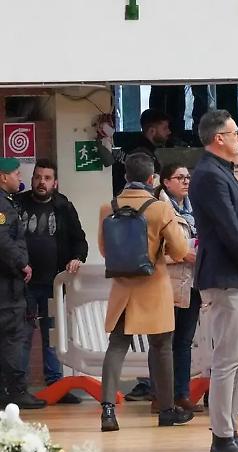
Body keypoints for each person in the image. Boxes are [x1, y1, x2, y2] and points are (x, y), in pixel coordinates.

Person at [98, 153, 193, 431]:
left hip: (122, 288)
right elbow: (179, 250)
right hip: (154, 285)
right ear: (152, 179)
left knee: (116, 346)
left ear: (126, 177)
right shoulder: (160, 209)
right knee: (162, 347)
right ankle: (166, 410)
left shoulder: (109, 206)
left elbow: (105, 250)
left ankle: (107, 411)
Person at [189, 110, 238, 452]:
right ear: (219, 138)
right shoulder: (208, 175)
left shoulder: (221, 172)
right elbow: (232, 232)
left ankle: (229, 429)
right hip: (225, 276)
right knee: (228, 358)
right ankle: (221, 437)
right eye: (235, 133)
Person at [16, 159, 88, 404]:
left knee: (52, 334)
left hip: (53, 284)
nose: (41, 182)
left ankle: (56, 386)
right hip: (22, 284)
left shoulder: (63, 206)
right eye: (37, 177)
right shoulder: (18, 203)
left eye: (47, 178)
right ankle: (18, 388)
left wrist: (77, 258)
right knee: (22, 334)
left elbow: (80, 240)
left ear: (55, 182)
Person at [153, 163, 203, 413]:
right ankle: (161, 396)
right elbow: (154, 250)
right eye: (179, 177)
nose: (185, 181)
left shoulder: (195, 207)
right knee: (164, 342)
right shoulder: (160, 209)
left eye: (188, 177)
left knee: (184, 341)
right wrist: (184, 255)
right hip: (167, 284)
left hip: (191, 284)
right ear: (165, 182)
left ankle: (181, 393)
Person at [0, 157, 45, 409]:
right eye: (16, 174)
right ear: (3, 177)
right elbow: (3, 240)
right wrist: (22, 264)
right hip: (7, 287)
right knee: (13, 338)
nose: (20, 178)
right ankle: (17, 391)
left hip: (7, 286)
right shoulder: (2, 208)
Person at [111, 109, 171, 197]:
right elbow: (152, 187)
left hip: (120, 199)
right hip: (136, 202)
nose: (169, 132)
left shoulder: (129, 147)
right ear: (152, 131)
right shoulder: (144, 156)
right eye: (165, 128)